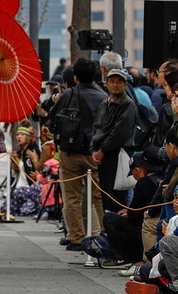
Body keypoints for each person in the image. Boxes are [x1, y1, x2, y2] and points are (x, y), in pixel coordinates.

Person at [49, 57, 108, 250]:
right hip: (95, 153)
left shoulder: (69, 94)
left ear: (75, 77)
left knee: (72, 197)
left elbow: (53, 116)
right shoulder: (102, 97)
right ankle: (105, 236)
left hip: (70, 151)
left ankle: (76, 238)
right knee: (99, 197)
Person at [91, 68, 137, 212]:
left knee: (116, 197)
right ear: (106, 83)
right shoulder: (105, 103)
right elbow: (96, 127)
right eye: (112, 81)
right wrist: (94, 149)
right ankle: (107, 230)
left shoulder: (128, 104)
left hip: (118, 154)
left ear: (125, 84)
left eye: (119, 82)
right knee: (104, 194)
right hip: (102, 155)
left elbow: (120, 133)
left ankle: (115, 231)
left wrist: (102, 151)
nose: (115, 85)